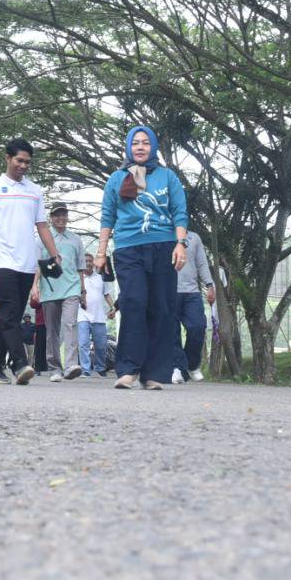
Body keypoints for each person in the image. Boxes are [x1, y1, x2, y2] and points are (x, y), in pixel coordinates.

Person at [98, 125, 188, 391]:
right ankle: (128, 369)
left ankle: (155, 374)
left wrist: (180, 244)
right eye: (135, 142)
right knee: (134, 302)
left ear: (153, 147)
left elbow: (179, 211)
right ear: (128, 147)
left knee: (161, 309)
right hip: (128, 248)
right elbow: (107, 216)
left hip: (163, 246)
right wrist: (101, 252)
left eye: (145, 143)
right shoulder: (116, 178)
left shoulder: (167, 177)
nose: (140, 147)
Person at [0, 138, 64, 386]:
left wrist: (54, 253)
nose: (23, 165)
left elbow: (42, 226)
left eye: (28, 162)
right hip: (1, 260)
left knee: (12, 316)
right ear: (7, 158)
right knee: (8, 312)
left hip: (27, 263)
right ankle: (19, 363)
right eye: (19, 160)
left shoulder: (35, 191)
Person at [42, 203, 88, 381]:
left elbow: (80, 267)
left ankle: (70, 365)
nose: (60, 218)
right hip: (50, 290)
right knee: (52, 329)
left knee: (70, 324)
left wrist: (83, 291)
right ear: (51, 218)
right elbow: (38, 265)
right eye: (56, 215)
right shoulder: (43, 239)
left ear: (67, 217)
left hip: (72, 289)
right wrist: (35, 287)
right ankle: (54, 368)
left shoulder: (76, 239)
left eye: (63, 214)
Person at [170, 230, 216, 383]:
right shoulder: (162, 233)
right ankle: (177, 367)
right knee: (172, 333)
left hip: (191, 292)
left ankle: (192, 364)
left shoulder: (194, 237)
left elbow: (202, 263)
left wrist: (209, 285)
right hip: (169, 291)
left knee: (198, 327)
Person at [77, 252, 115, 377]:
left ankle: (100, 367)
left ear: (93, 263)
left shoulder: (101, 277)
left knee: (101, 345)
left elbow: (107, 294)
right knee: (83, 344)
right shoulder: (78, 278)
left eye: (90, 261)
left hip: (99, 316)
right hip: (82, 315)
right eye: (85, 261)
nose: (87, 263)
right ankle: (85, 369)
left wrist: (113, 308)